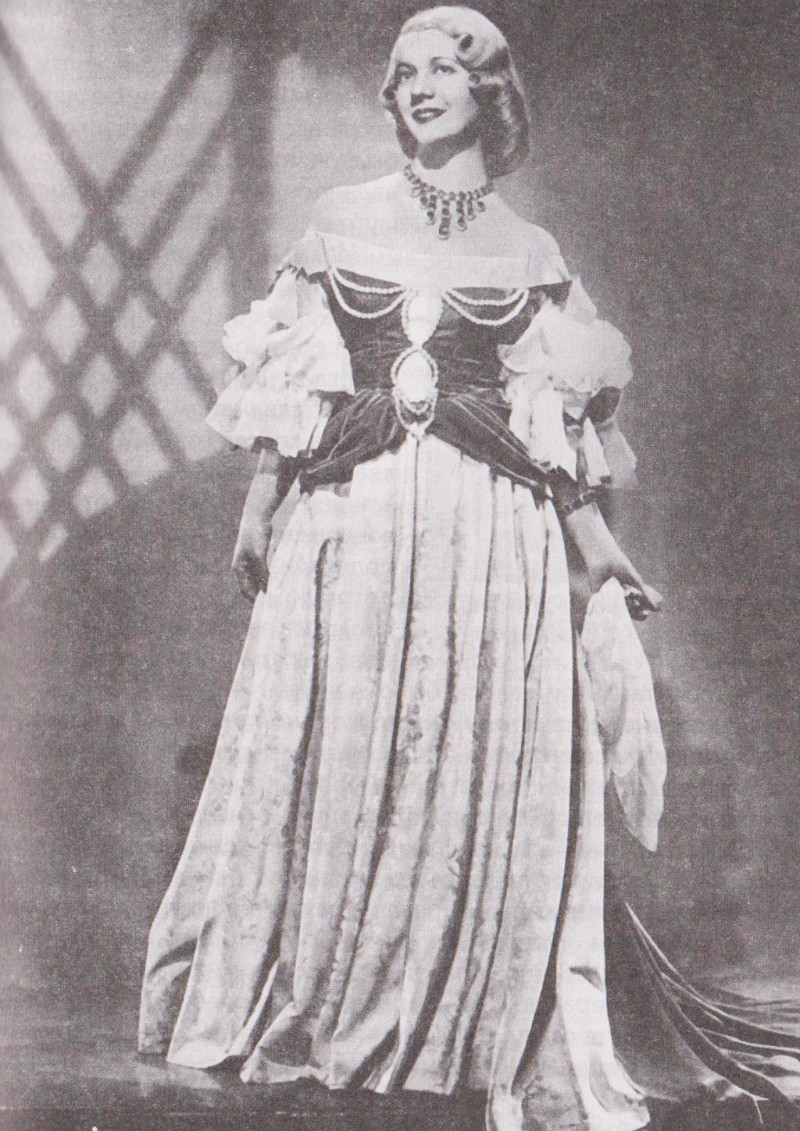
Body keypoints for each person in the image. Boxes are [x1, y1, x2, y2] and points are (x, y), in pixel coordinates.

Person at [138, 8, 800, 1129]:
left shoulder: (527, 252)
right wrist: (258, 510)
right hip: (357, 520)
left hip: (490, 536)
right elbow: (295, 381)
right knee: (354, 742)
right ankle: (336, 995)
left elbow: (554, 427)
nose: (419, 86)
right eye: (403, 73)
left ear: (489, 92)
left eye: (444, 68)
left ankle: (459, 1006)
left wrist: (601, 552)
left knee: (464, 746)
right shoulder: (340, 220)